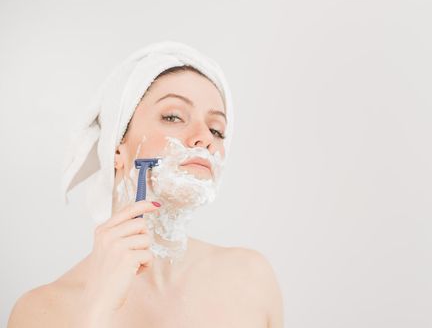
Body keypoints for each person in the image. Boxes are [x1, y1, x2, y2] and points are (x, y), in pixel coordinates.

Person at [7, 42, 284, 327]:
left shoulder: (252, 279)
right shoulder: (38, 311)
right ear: (116, 147)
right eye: (173, 116)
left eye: (217, 129)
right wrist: (97, 309)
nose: (205, 138)